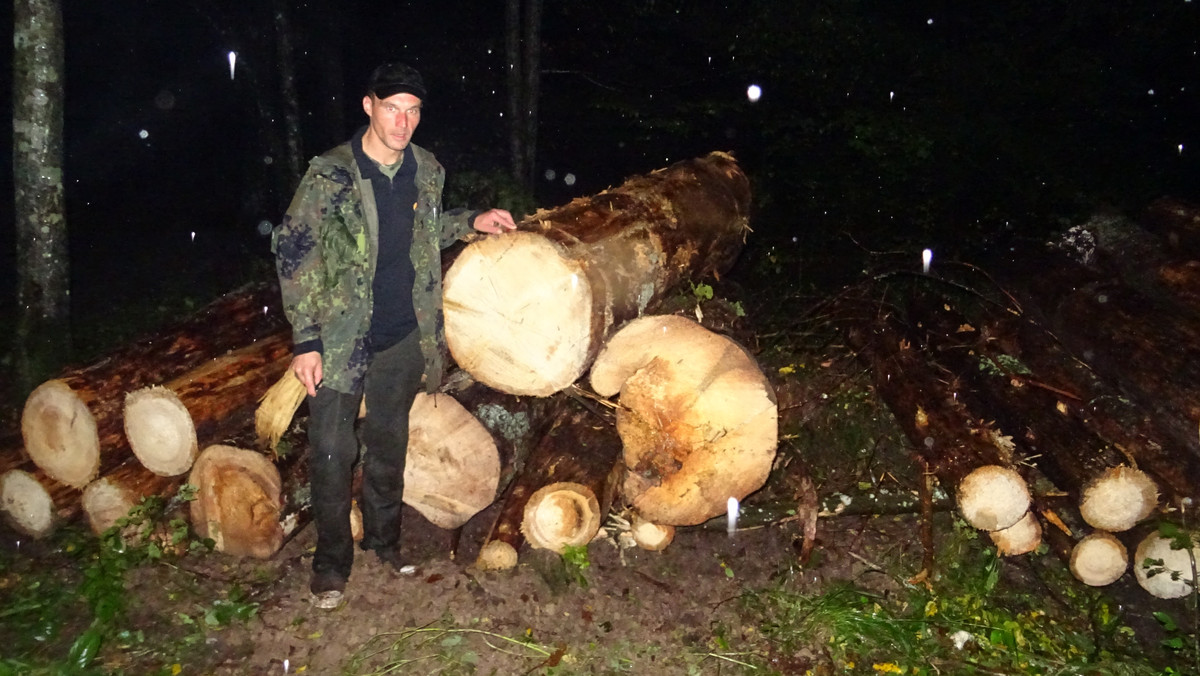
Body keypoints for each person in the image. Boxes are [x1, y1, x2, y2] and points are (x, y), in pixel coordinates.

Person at [271, 62, 516, 609]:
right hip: (339, 338)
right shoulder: (330, 174)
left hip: (403, 334)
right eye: (392, 108)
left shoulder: (426, 169)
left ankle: (385, 546)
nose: (402, 122)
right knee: (332, 450)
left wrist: (472, 220)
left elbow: (426, 231)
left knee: (388, 444)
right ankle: (331, 564)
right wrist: (306, 339)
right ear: (368, 106)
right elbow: (294, 252)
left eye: (412, 111)